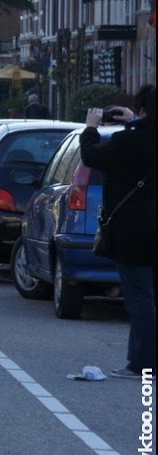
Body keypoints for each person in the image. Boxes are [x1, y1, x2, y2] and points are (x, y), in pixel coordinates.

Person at [79, 84, 155, 380]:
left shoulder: (128, 141)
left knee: (139, 297)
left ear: (142, 108)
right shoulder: (138, 133)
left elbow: (92, 158)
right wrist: (135, 121)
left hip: (134, 228)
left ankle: (142, 365)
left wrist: (90, 128)